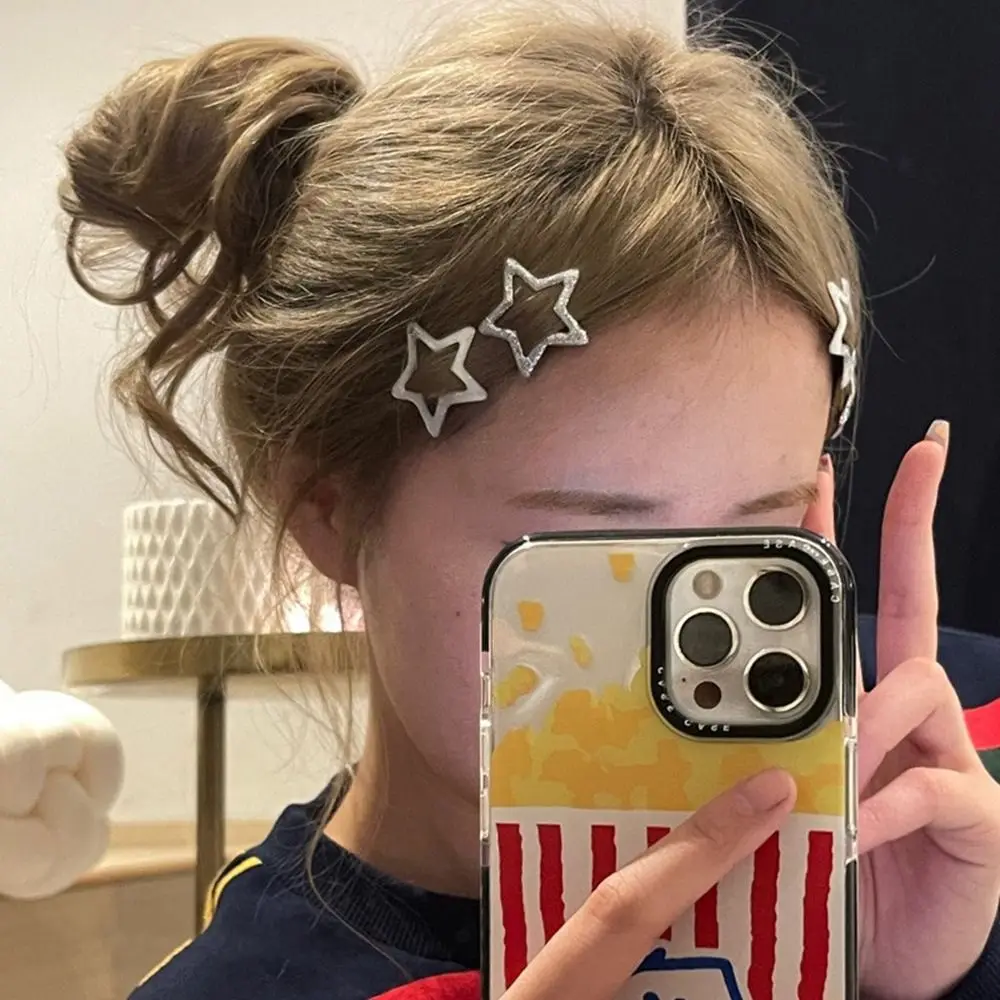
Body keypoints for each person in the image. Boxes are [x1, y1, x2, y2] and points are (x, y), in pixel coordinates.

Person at [57, 7, 1000, 1000]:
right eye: (589, 557)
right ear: (326, 508)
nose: (690, 654)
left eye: (759, 534)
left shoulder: (938, 776)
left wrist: (933, 979)